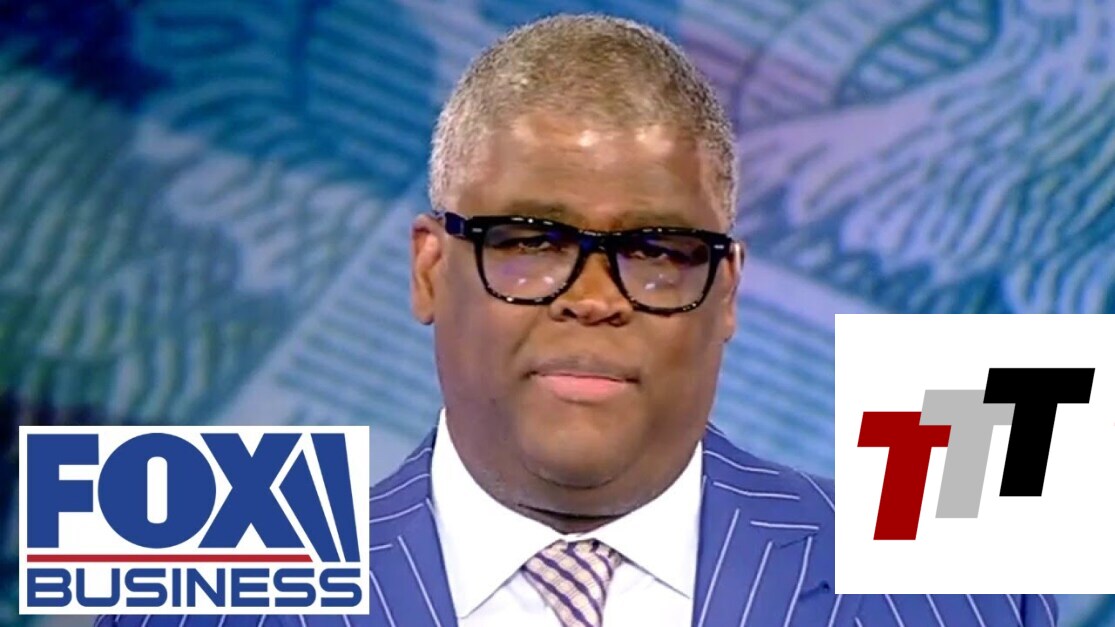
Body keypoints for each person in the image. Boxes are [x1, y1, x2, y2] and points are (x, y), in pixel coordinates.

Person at [102, 13, 1057, 627]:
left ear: (725, 292)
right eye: (529, 239)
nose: (593, 297)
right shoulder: (195, 596)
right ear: (430, 269)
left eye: (658, 250)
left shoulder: (959, 587)